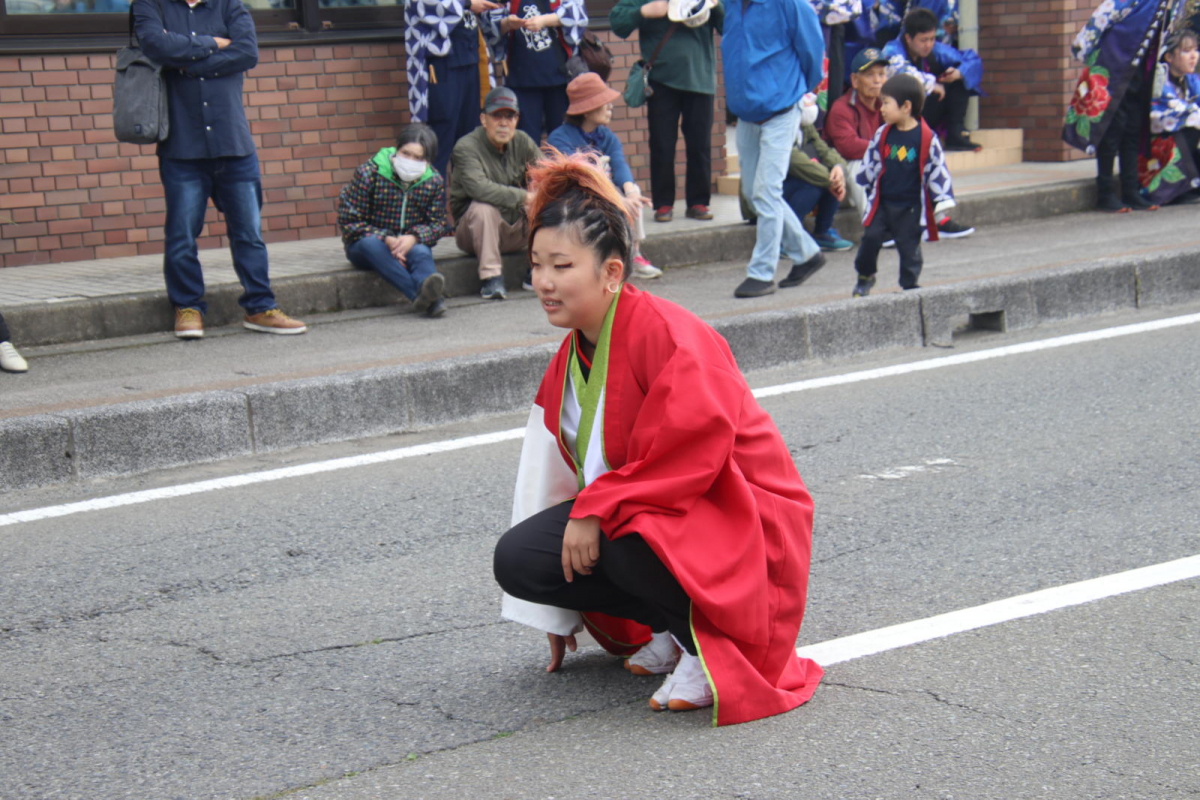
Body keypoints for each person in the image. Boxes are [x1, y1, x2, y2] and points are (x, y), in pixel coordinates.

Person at [492, 150, 822, 725]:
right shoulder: (573, 352)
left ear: (612, 273)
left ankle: (704, 644)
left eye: (562, 266)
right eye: (537, 265)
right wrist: (554, 613)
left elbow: (692, 457)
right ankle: (673, 624)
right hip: (666, 510)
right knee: (521, 560)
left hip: (743, 511)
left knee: (619, 529)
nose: (543, 282)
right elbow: (548, 475)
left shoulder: (670, 334)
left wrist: (597, 506)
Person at [132, 0, 307, 340]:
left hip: (234, 145)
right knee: (181, 236)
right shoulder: (149, 5)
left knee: (249, 235)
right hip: (182, 147)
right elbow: (155, 45)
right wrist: (213, 43)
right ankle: (188, 308)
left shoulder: (230, 7)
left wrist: (185, 64)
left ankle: (260, 306)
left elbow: (247, 53)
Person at [723, 0, 828, 298]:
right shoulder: (730, 5)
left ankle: (761, 273)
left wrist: (794, 90)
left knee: (767, 191)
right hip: (747, 113)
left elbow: (813, 52)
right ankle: (807, 254)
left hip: (781, 109)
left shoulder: (790, 4)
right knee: (755, 193)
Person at [828, 48, 973, 238]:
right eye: (870, 75)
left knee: (922, 151)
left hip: (884, 169)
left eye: (881, 74)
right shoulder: (842, 108)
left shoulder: (890, 105)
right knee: (859, 165)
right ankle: (878, 230)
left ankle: (938, 219)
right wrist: (890, 151)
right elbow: (849, 147)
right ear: (855, 80)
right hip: (842, 185)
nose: (877, 80)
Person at [609, 0, 724, 224]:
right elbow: (617, 22)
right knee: (662, 145)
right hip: (661, 81)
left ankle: (698, 203)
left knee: (700, 145)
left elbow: (728, 25)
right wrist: (643, 11)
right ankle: (663, 204)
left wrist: (716, 6)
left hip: (700, 79)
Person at [547, 73, 663, 279]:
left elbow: (619, 164)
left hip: (605, 194)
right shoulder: (560, 137)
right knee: (619, 198)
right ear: (586, 109)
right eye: (604, 103)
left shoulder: (606, 135)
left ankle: (633, 253)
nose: (610, 107)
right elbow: (581, 177)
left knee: (633, 192)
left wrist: (629, 193)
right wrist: (617, 199)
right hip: (573, 198)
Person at [852, 73, 956, 297]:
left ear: (906, 106)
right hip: (883, 202)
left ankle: (910, 286)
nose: (881, 108)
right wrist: (865, 183)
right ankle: (865, 275)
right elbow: (871, 162)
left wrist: (940, 199)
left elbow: (938, 170)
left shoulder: (926, 138)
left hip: (910, 207)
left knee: (909, 248)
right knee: (870, 239)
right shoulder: (883, 134)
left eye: (886, 103)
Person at [1066, 0, 1172, 212]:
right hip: (1114, 67)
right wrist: (1085, 51)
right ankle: (1105, 193)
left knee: (1133, 130)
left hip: (1139, 71)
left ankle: (1131, 191)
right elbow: (1100, 19)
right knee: (1112, 131)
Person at [336, 124, 451, 318]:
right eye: (406, 153)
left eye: (418, 157)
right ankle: (426, 297)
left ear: (428, 160)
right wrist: (387, 239)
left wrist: (413, 238)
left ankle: (428, 295)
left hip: (408, 245)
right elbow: (349, 221)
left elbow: (438, 223)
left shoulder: (433, 181)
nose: (410, 161)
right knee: (371, 245)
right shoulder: (369, 173)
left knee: (422, 251)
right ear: (396, 150)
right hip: (367, 246)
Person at [450, 87, 542, 299]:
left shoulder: (523, 141)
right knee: (484, 208)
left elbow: (545, 174)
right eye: (497, 115)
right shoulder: (465, 147)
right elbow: (478, 188)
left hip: (514, 229)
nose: (503, 122)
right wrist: (525, 196)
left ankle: (537, 271)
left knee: (544, 201)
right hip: (473, 233)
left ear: (517, 119)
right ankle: (491, 279)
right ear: (484, 119)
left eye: (509, 116)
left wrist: (539, 194)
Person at [404, 0, 502, 177]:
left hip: (471, 59)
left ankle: (464, 204)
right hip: (441, 64)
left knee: (468, 145)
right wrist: (468, 3)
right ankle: (434, 204)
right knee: (439, 143)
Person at [739, 116, 853, 252]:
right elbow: (794, 161)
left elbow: (824, 149)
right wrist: (830, 180)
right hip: (761, 196)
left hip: (786, 184)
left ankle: (823, 231)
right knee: (816, 182)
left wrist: (838, 167)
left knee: (831, 176)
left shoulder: (804, 124)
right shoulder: (775, 123)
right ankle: (785, 238)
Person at [483, 0, 588, 144]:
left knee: (563, 139)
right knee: (525, 141)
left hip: (559, 76)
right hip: (522, 78)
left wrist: (544, 20)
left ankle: (564, 167)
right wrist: (507, 23)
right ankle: (529, 167)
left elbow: (577, 14)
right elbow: (489, 24)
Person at [882, 7, 983, 152]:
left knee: (959, 79)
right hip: (904, 113)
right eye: (923, 40)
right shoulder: (892, 50)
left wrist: (958, 73)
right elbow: (899, 71)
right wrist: (931, 84)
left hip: (929, 109)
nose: (928, 44)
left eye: (932, 39)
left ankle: (955, 135)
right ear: (908, 38)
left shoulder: (936, 50)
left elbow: (971, 60)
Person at [1142, 31, 1200, 205]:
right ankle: (1181, 187)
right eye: (1186, 51)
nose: (1193, 56)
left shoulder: (1191, 79)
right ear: (1169, 56)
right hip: (1155, 145)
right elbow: (1167, 112)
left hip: (1182, 136)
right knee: (1191, 126)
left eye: (1196, 50)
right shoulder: (1159, 81)